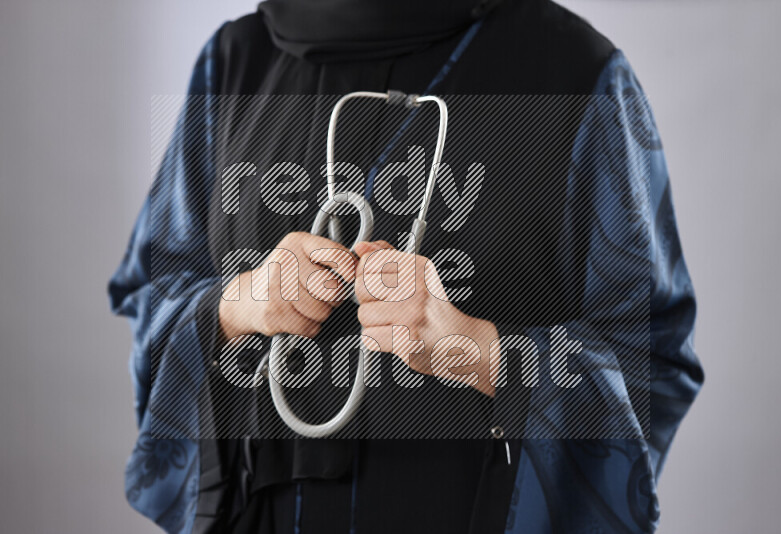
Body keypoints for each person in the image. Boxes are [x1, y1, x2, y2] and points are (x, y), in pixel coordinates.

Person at [109, 0, 704, 532]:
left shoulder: (575, 73)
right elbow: (152, 292)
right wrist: (238, 304)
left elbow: (653, 359)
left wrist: (478, 352)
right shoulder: (235, 63)